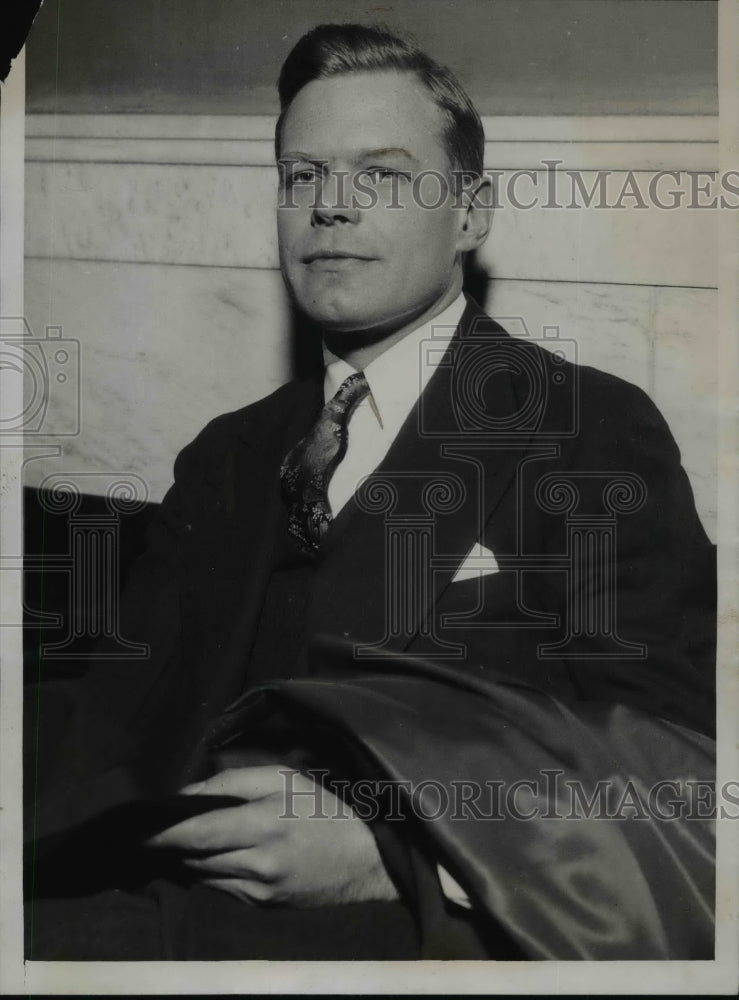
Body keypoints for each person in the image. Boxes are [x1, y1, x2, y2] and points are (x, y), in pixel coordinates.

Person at [25, 23, 715, 961]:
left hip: (411, 938)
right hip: (148, 906)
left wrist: (394, 856)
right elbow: (105, 717)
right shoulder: (226, 454)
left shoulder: (588, 430)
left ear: (469, 216)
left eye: (382, 176)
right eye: (301, 175)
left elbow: (676, 773)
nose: (330, 206)